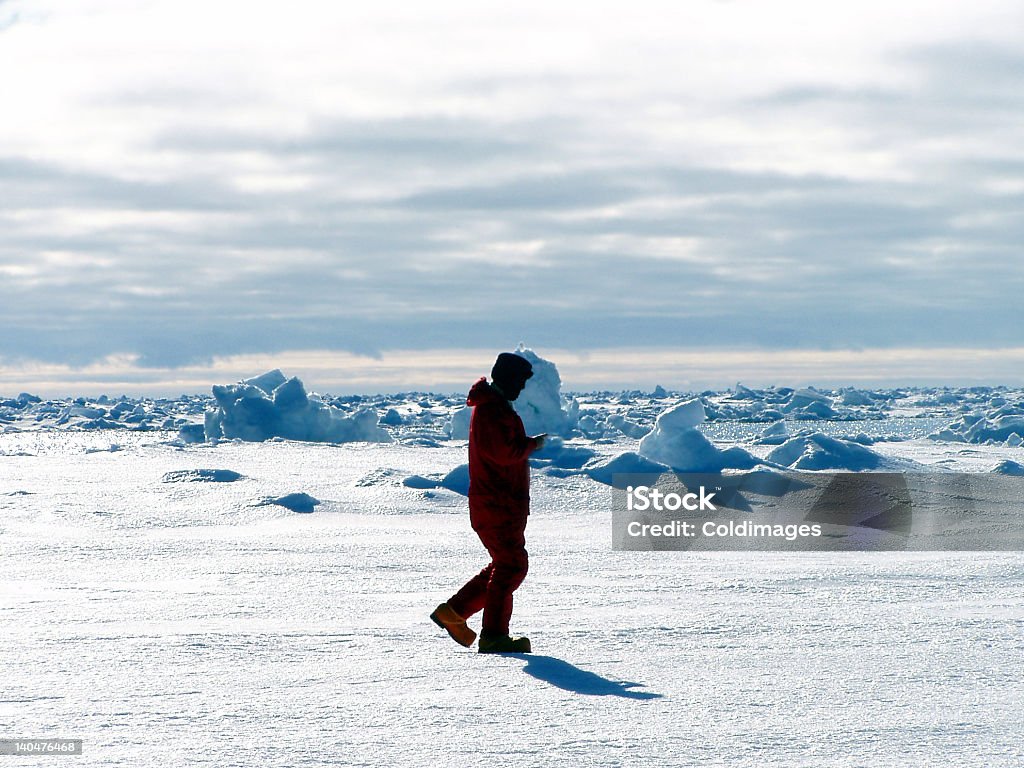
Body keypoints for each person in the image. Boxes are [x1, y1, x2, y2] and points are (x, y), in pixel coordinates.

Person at [430, 352, 546, 653]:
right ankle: (493, 635)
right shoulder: (491, 411)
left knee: (505, 564)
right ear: (506, 380)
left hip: (500, 503)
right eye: (518, 383)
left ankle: (454, 612)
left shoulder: (495, 408)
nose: (521, 390)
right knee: (511, 566)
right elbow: (504, 453)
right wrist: (532, 444)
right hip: (497, 504)